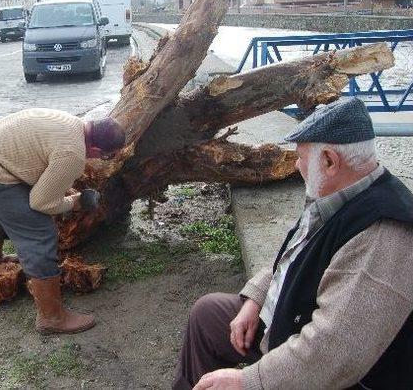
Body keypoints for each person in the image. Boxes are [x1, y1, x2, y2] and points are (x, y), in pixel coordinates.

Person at [172, 97, 413, 389]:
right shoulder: (341, 194)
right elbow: (293, 255)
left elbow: (331, 354)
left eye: (301, 156)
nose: (296, 165)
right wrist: (256, 299)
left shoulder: (382, 235)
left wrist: (248, 382)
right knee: (208, 315)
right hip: (292, 322)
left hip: (334, 373)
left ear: (329, 161)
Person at [0, 108, 125, 335]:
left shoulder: (70, 122)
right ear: (95, 148)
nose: (105, 160)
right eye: (107, 156)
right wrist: (74, 202)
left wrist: (63, 188)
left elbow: (42, 161)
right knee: (38, 231)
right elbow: (41, 203)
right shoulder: (73, 154)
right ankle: (52, 317)